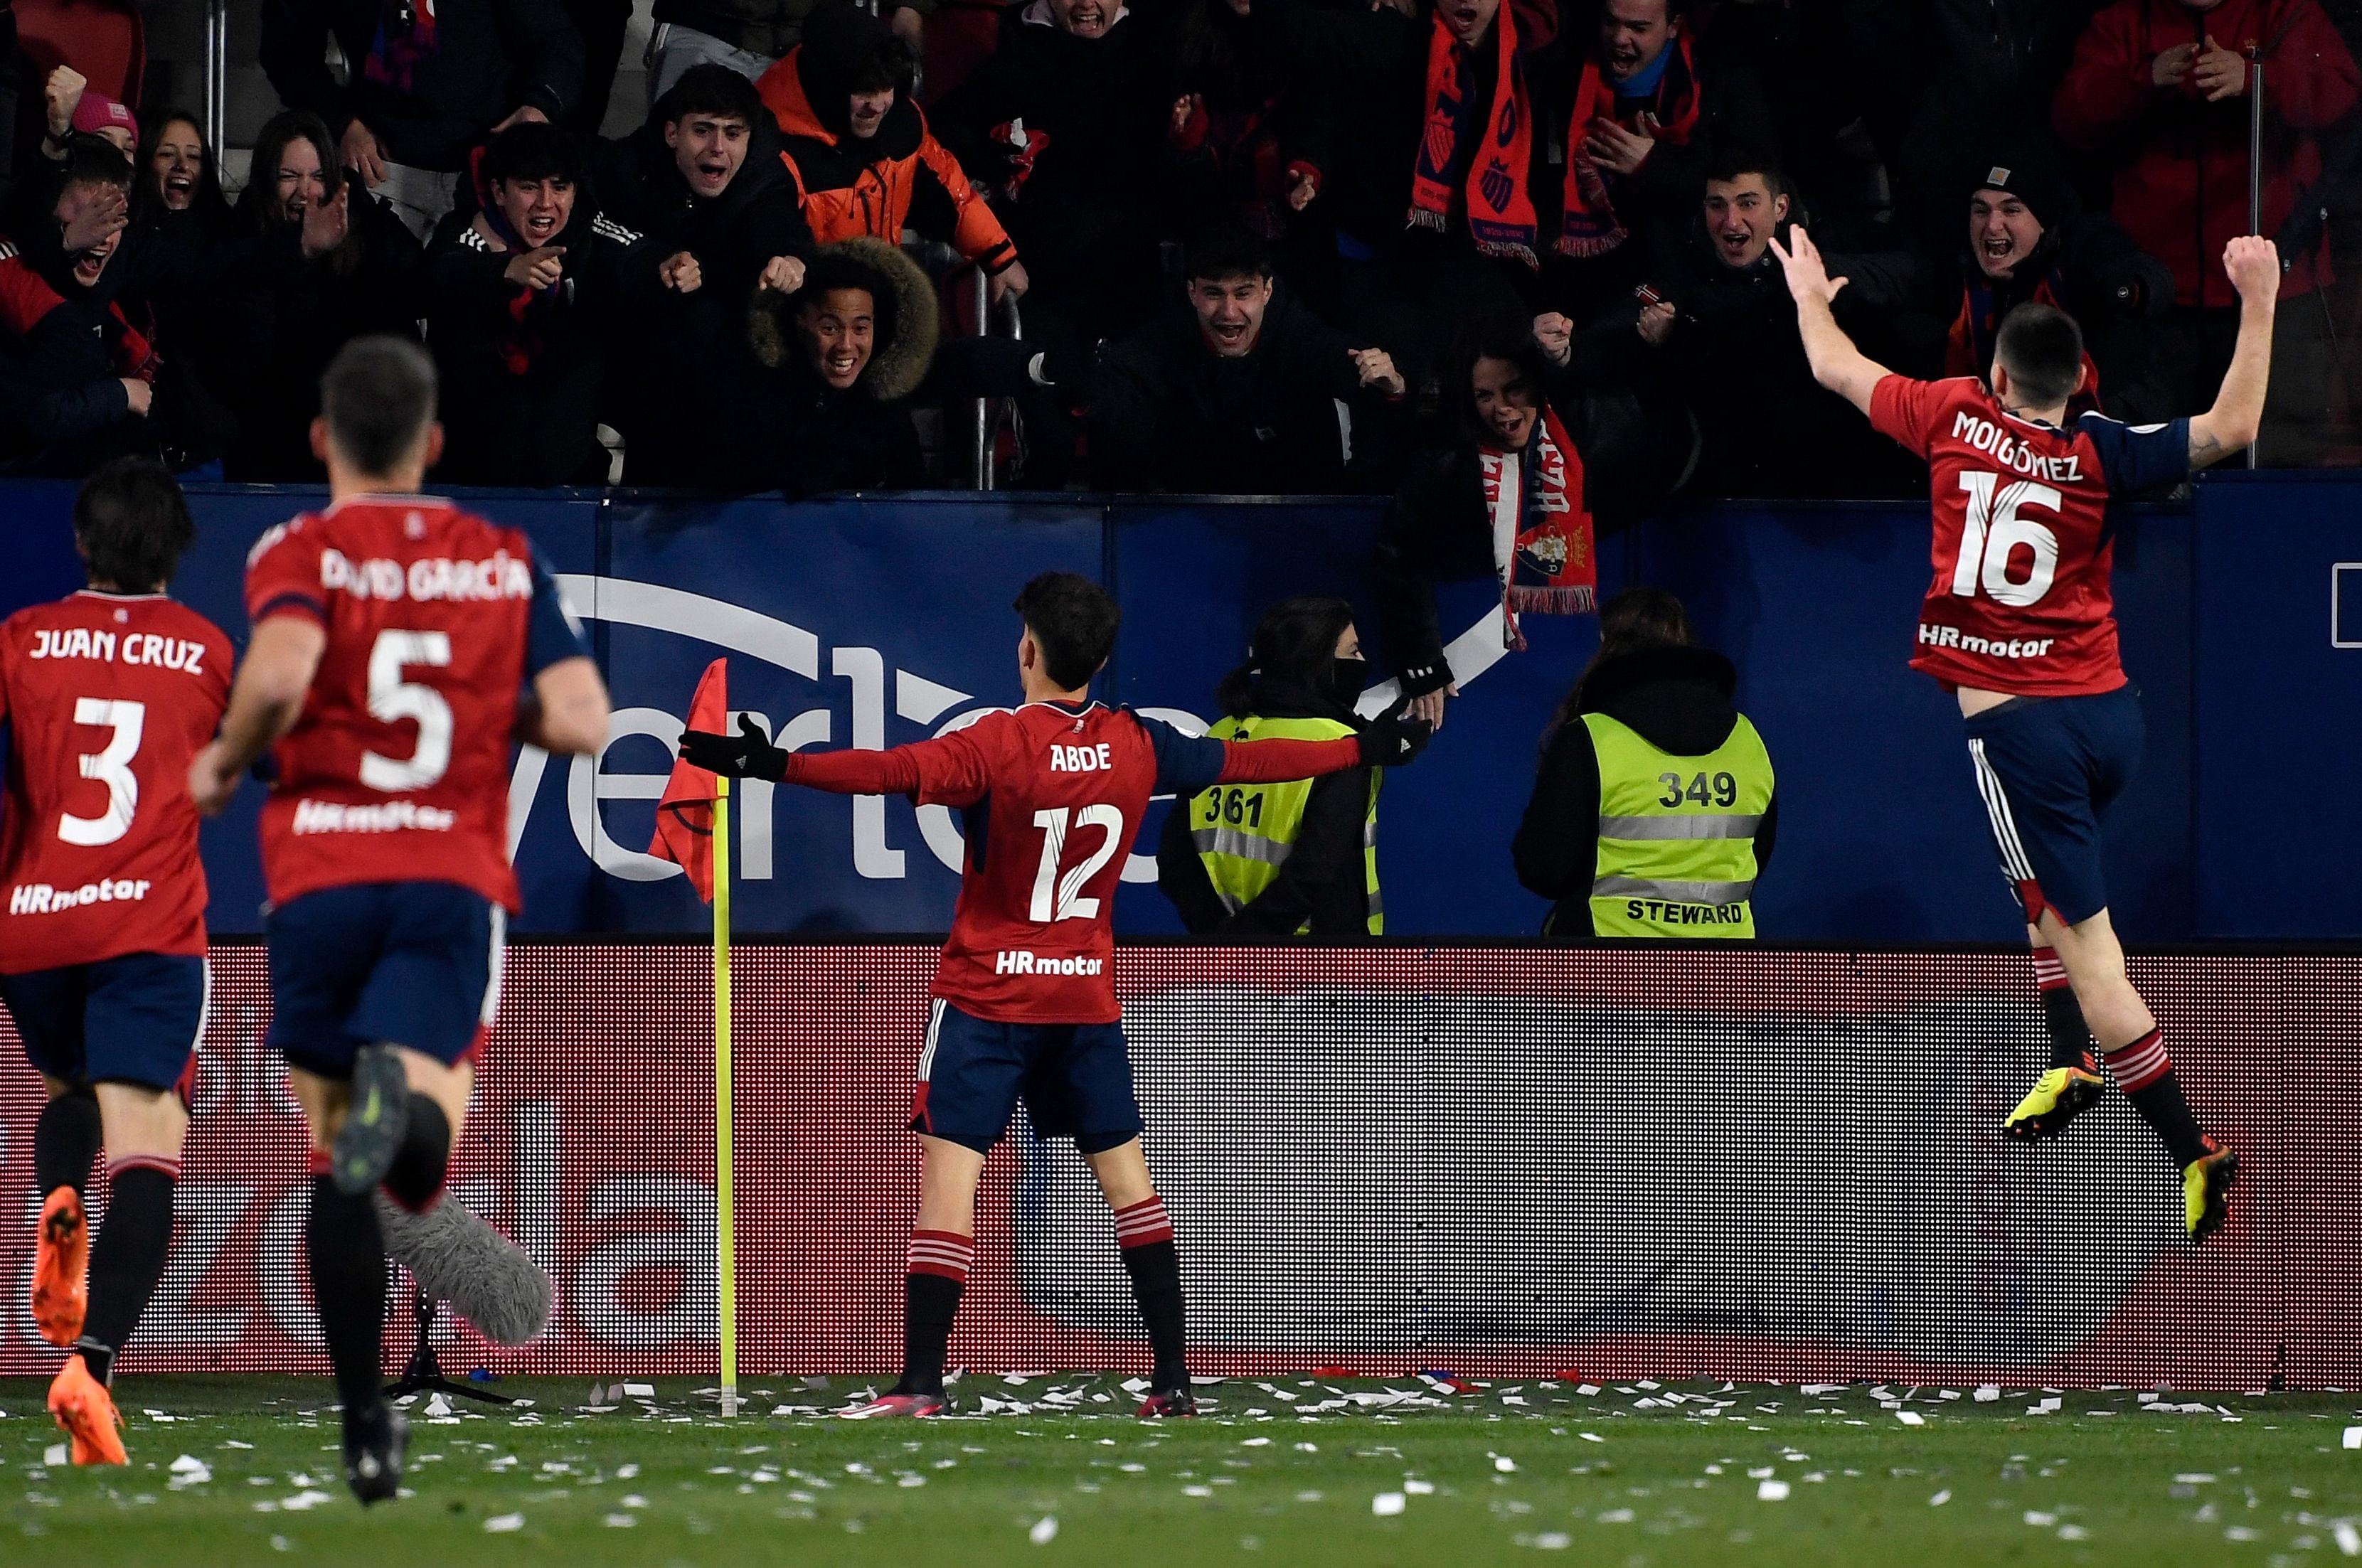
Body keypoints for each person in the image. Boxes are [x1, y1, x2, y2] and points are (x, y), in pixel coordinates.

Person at [678, 572, 1432, 1418]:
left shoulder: (995, 744)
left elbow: (884, 772)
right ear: (1102, 660)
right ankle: (1173, 1381)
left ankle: (921, 1382)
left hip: (987, 1000)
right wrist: (1365, 749)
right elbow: (1254, 758)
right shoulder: (1138, 744)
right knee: (1130, 1186)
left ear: (1027, 650)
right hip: (1084, 1001)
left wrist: (771, 763)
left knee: (951, 1176)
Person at [1773, 222, 2275, 1243]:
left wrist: (1809, 293)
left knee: (2094, 955)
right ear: (2078, 378)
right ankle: (2067, 1057)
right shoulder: (2101, 446)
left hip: (2018, 732)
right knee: (2035, 886)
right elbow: (2231, 424)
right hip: (2109, 718)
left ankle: (2190, 1150)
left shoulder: (1951, 414)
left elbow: (1830, 365)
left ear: (1994, 371)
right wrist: (2258, 296)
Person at [186, 337, 611, 1500]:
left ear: (322, 441)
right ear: (433, 445)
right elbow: (582, 718)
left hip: (321, 880)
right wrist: (486, 713)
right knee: (412, 1150)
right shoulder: (499, 558)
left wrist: (224, 765)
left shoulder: (300, 548)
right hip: (446, 878)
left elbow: (273, 682)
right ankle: (410, 1117)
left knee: (336, 1168)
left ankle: (364, 1414)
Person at [0, 459, 231, 1463]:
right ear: (178, 550)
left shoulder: (22, 638)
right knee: (149, 1141)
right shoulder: (209, 650)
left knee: (69, 1090)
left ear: (83, 545)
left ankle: (60, 1198)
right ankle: (90, 1367)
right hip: (147, 925)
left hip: (34, 922)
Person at [2053, 0, 2359, 454]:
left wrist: (2257, 78)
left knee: (2281, 458)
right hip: (2155, 298)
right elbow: (2070, 116)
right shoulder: (2124, 22)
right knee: (2153, 463)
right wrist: (2143, 80)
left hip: (2276, 290)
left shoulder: (2282, 11)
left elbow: (2343, 97)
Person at [1570, 153, 1926, 501]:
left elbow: (1913, 273)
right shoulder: (1683, 275)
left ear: (1781, 208)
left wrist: (1814, 284)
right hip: (1726, 490)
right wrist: (1563, 352)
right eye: (1717, 206)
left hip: (1837, 487)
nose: (1732, 221)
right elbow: (1606, 341)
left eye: (1748, 203)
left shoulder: (1823, 246)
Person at [1375, 313, 1602, 735]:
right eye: (1484, 395)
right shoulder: (1444, 457)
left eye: (1514, 388)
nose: (1502, 409)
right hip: (1473, 644)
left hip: (1563, 656)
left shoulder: (1581, 429)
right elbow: (1398, 552)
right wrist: (1422, 661)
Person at [591, 65, 815, 485]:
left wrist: (791, 260)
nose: (718, 148)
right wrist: (653, 261)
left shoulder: (764, 175)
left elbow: (781, 228)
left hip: (719, 351)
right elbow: (596, 233)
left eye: (733, 134)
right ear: (673, 134)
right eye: (703, 131)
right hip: (632, 338)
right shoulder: (628, 165)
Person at [1511, 587, 1775, 937]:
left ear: (1606, 642)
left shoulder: (1592, 737)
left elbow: (1545, 869)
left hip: (1612, 966)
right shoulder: (1747, 737)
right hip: (1724, 968)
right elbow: (1757, 852)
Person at [1090, 223, 1408, 494]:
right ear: (1191, 293)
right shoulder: (1158, 343)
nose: (1229, 313)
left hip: (1289, 501)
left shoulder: (1295, 333)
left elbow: (1350, 372)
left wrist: (1393, 389)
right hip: (1186, 500)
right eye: (1214, 293)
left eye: (1243, 293)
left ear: (1267, 291)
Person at [757, 0, 1027, 299]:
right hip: (808, 310)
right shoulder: (773, 146)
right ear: (828, 85)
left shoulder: (901, 124)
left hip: (878, 297)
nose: (877, 106)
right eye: (863, 92)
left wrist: (999, 255)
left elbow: (950, 196)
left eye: (885, 89)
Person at [260, 0, 587, 240]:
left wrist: (537, 108)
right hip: (381, 169)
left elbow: (558, 41)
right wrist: (342, 122)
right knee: (379, 310)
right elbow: (286, 51)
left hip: (485, 170)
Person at [1157, 596, 1383, 935]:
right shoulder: (1341, 748)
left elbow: (1176, 861)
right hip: (1322, 969)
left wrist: (1221, 938)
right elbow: (1316, 871)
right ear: (1316, 662)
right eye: (1352, 652)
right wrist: (1251, 942)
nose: (1362, 662)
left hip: (1225, 958)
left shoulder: (1219, 736)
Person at [220, 112, 427, 481]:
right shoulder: (244, 238)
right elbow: (245, 357)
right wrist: (297, 252)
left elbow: (419, 291)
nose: (306, 191)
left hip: (352, 440)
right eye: (289, 177)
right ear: (267, 181)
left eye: (317, 177)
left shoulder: (362, 225)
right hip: (271, 445)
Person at [425, 121, 630, 484]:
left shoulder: (589, 234)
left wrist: (669, 267)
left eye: (560, 187)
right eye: (529, 187)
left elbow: (637, 254)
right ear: (499, 192)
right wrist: (505, 270)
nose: (546, 203)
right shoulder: (463, 234)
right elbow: (441, 275)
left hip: (567, 481)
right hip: (467, 482)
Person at [1941, 145, 2171, 420]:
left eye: (2011, 210)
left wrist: (2128, 290)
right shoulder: (1957, 264)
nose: (1992, 225)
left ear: (2043, 222)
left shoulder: (2081, 253)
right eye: (1981, 210)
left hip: (2093, 440)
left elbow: (2146, 276)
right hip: (1992, 440)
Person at [745, 235, 935, 493]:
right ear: (800, 325)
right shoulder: (759, 402)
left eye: (860, 328)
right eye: (830, 328)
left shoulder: (888, 414)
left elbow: (912, 505)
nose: (846, 344)